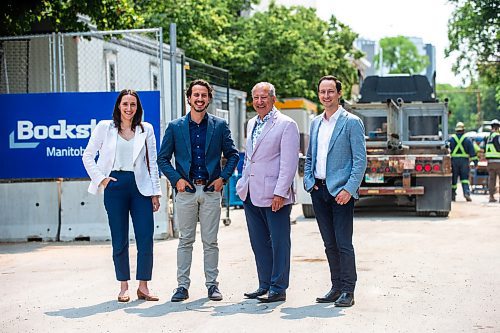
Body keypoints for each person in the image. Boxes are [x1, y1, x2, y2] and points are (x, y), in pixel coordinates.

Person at [157, 79, 239, 302]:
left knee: (210, 242)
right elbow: (162, 159)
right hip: (186, 191)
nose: (200, 99)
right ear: (189, 98)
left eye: (204, 95)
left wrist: (223, 178)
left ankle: (212, 285)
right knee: (185, 240)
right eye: (196, 95)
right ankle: (182, 287)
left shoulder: (219, 125)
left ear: (209, 99)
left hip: (212, 191)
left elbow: (233, 155)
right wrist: (177, 181)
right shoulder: (175, 127)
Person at [82, 89, 162, 302]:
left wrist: (156, 193)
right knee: (119, 238)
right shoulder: (104, 128)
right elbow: (88, 155)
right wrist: (102, 179)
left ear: (138, 108)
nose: (129, 108)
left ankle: (143, 286)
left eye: (133, 105)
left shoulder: (147, 129)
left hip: (141, 188)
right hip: (115, 186)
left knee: (145, 237)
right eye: (125, 104)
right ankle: (124, 286)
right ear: (118, 106)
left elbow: (152, 162)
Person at [303, 75, 367, 307]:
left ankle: (348, 291)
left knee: (343, 243)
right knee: (329, 243)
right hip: (318, 190)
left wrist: (349, 189)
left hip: (341, 193)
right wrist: (309, 182)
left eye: (331, 91)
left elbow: (360, 161)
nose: (326, 95)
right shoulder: (315, 122)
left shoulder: (351, 122)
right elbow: (310, 156)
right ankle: (336, 287)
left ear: (339, 94)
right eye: (322, 91)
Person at [236, 82, 300, 303]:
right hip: (251, 193)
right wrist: (242, 183)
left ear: (274, 98)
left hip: (274, 195)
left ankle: (278, 287)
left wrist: (280, 193)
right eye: (256, 98)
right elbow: (249, 157)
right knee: (259, 241)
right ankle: (264, 284)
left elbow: (289, 163)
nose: (259, 102)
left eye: (264, 97)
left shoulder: (286, 124)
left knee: (279, 242)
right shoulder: (252, 123)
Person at [449, 122, 477, 202]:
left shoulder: (451, 139)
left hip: (453, 161)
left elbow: (446, 150)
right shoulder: (467, 139)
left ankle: (452, 195)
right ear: (463, 130)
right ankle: (466, 193)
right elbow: (472, 152)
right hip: (464, 161)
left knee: (454, 179)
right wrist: (475, 162)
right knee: (464, 179)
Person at [485, 119, 500, 202]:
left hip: (490, 162)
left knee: (491, 179)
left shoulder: (488, 137)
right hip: (498, 161)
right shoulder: (497, 136)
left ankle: (491, 196)